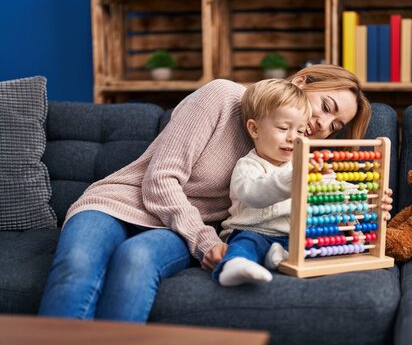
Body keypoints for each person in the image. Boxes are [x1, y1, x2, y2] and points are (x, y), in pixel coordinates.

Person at [38, 64, 393, 322]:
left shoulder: (294, 156)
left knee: (136, 261)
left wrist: (369, 204)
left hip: (173, 229)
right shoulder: (223, 97)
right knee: (77, 264)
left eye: (335, 126)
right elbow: (161, 178)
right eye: (327, 108)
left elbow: (311, 206)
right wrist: (206, 243)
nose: (323, 126)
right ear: (302, 81)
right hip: (118, 203)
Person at [212, 78, 311, 286]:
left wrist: (364, 198)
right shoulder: (248, 166)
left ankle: (278, 257)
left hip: (290, 237)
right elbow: (254, 194)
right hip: (252, 232)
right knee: (248, 243)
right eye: (283, 128)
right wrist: (295, 178)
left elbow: (330, 187)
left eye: (301, 131)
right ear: (255, 129)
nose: (293, 138)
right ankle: (235, 264)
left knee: (314, 242)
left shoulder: (302, 164)